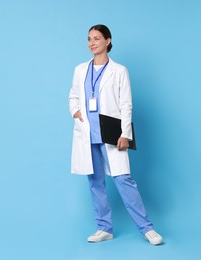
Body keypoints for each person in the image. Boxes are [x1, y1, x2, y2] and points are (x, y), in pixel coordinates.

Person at [68, 24, 163, 245]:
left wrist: (125, 134)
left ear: (108, 41)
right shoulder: (80, 69)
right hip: (87, 132)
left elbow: (126, 104)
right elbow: (73, 95)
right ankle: (104, 227)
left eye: (97, 38)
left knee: (123, 180)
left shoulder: (119, 70)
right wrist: (76, 112)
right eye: (89, 38)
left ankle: (147, 228)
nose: (92, 43)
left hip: (111, 132)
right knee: (95, 181)